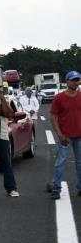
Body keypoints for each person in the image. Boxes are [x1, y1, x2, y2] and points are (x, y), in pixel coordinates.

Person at [50, 71, 81, 200]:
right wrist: (59, 134)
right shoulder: (59, 98)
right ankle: (56, 189)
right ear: (67, 82)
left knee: (80, 163)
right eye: (73, 80)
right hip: (66, 136)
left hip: (80, 136)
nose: (76, 82)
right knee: (60, 163)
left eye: (78, 79)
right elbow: (53, 117)